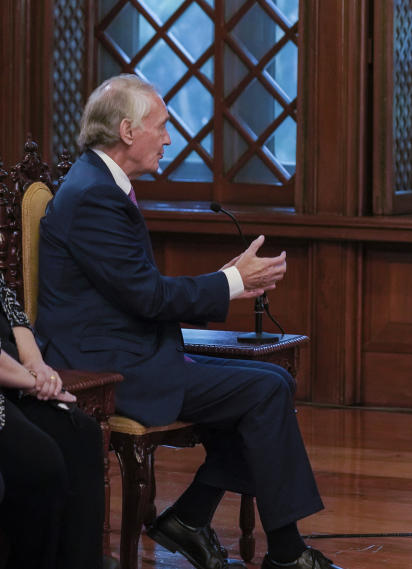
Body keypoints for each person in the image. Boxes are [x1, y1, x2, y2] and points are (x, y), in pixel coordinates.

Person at [36, 74, 342, 569]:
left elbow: (136, 290)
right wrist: (232, 282)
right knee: (264, 392)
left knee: (273, 380)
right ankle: (283, 551)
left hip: (130, 347)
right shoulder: (94, 195)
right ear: (128, 130)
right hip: (106, 366)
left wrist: (227, 278)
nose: (170, 138)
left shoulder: (101, 182)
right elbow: (146, 297)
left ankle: (193, 517)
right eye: (161, 126)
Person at [0, 272, 110, 569]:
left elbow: (10, 308)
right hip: (9, 381)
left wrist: (36, 364)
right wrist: (31, 381)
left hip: (14, 378)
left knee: (81, 434)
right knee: (40, 461)